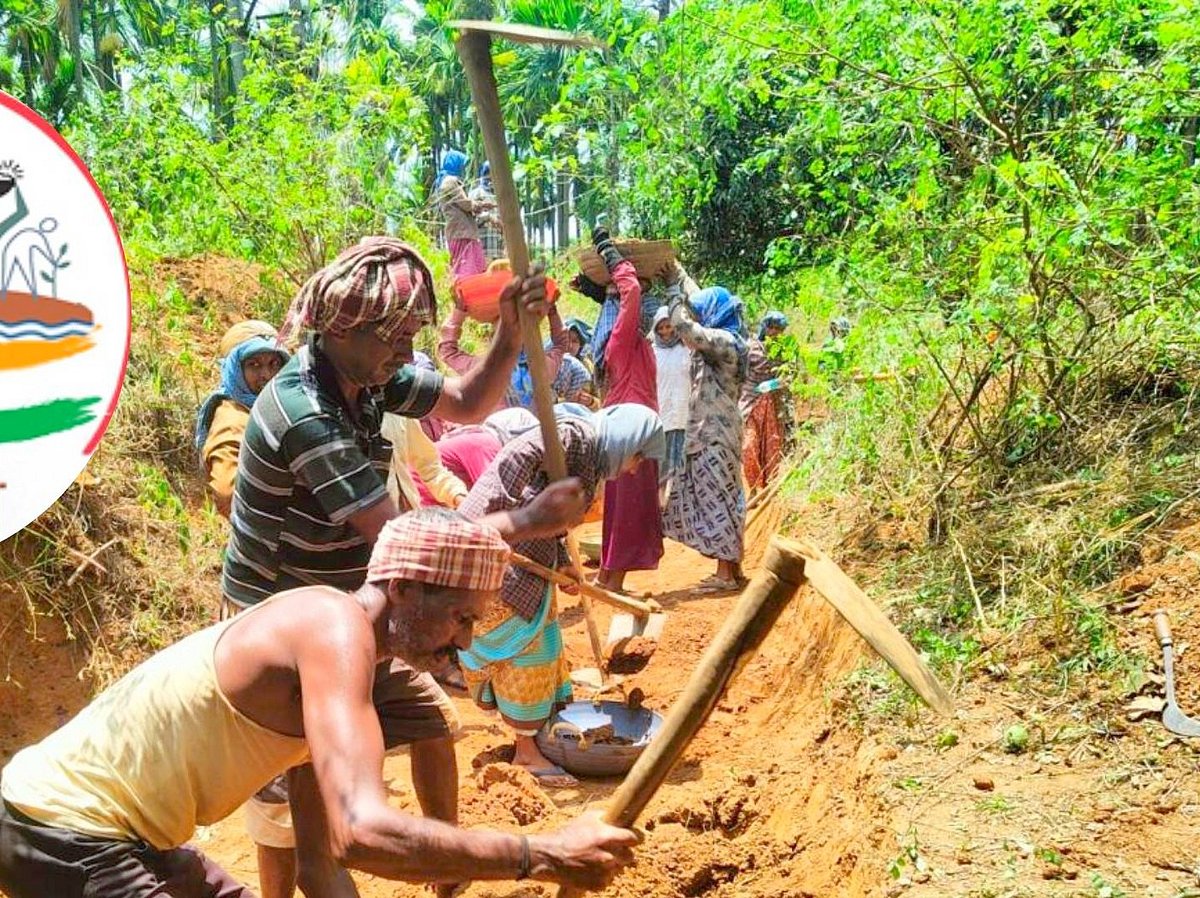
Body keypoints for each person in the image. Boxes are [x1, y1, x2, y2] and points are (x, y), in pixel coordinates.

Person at [0, 508, 639, 898]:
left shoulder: (336, 671)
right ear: (410, 588)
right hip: (62, 830)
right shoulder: (332, 629)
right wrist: (541, 853)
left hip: (123, 839)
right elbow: (363, 833)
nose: (468, 641)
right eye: (460, 618)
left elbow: (321, 863)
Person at [221, 236, 547, 898]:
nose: (405, 350)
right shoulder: (302, 411)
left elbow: (465, 401)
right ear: (341, 332)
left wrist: (512, 333)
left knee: (431, 722)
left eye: (410, 335)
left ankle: (446, 872)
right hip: (277, 629)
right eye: (393, 336)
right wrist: (532, 521)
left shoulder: (372, 378)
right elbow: (403, 540)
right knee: (301, 819)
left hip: (349, 609)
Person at [457, 405, 666, 787]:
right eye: (638, 456)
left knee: (545, 648)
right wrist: (494, 525)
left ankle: (535, 737)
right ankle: (526, 755)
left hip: (526, 565)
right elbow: (516, 460)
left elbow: (551, 513)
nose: (634, 468)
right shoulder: (575, 438)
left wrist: (566, 563)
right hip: (498, 562)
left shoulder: (588, 456)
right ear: (626, 441)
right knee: (527, 657)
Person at [587, 227, 664, 594]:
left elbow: (634, 299)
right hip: (630, 432)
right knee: (628, 508)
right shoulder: (622, 342)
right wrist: (610, 254)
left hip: (632, 430)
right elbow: (631, 291)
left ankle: (607, 575)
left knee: (623, 504)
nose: (645, 305)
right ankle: (613, 579)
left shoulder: (631, 345)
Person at [662, 266, 748, 592]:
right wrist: (678, 272)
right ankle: (732, 568)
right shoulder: (727, 338)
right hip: (710, 433)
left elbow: (688, 329)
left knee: (721, 499)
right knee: (723, 497)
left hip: (716, 435)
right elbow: (698, 301)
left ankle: (725, 575)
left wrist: (672, 290)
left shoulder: (725, 342)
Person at [194, 320, 289, 518]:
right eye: (254, 365)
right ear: (234, 370)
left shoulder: (267, 409)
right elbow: (227, 492)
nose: (267, 375)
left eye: (274, 364)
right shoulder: (233, 418)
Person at [439, 300, 572, 411]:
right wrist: (552, 311)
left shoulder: (483, 368)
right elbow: (561, 344)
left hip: (498, 438)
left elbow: (447, 351)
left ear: (493, 339)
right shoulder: (542, 365)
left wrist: (459, 312)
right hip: (535, 437)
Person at [741, 310, 794, 490]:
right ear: (765, 327)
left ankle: (768, 487)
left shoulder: (785, 351)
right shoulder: (750, 347)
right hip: (751, 402)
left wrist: (775, 383)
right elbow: (739, 373)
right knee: (748, 446)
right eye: (771, 327)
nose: (775, 332)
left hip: (774, 404)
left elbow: (790, 376)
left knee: (771, 447)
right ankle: (753, 487)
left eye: (779, 329)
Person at [382, 413, 469, 511]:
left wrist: (457, 495)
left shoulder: (399, 411)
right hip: (370, 518)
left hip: (407, 512)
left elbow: (430, 468)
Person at [649, 305, 690, 489]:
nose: (666, 331)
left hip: (684, 412)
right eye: (661, 327)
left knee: (684, 465)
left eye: (669, 326)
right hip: (662, 413)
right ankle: (660, 506)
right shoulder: (652, 352)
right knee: (661, 467)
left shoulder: (687, 348)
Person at [435, 150, 492, 280]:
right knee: (467, 271)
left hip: (461, 232)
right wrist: (482, 205)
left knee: (469, 268)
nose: (463, 168)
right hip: (462, 233)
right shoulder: (450, 181)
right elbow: (466, 205)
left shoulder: (446, 181)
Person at [469, 160, 504, 262]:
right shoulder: (476, 194)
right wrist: (488, 217)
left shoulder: (500, 196)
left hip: (498, 249)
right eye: (489, 174)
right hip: (482, 247)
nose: (492, 178)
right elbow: (470, 219)